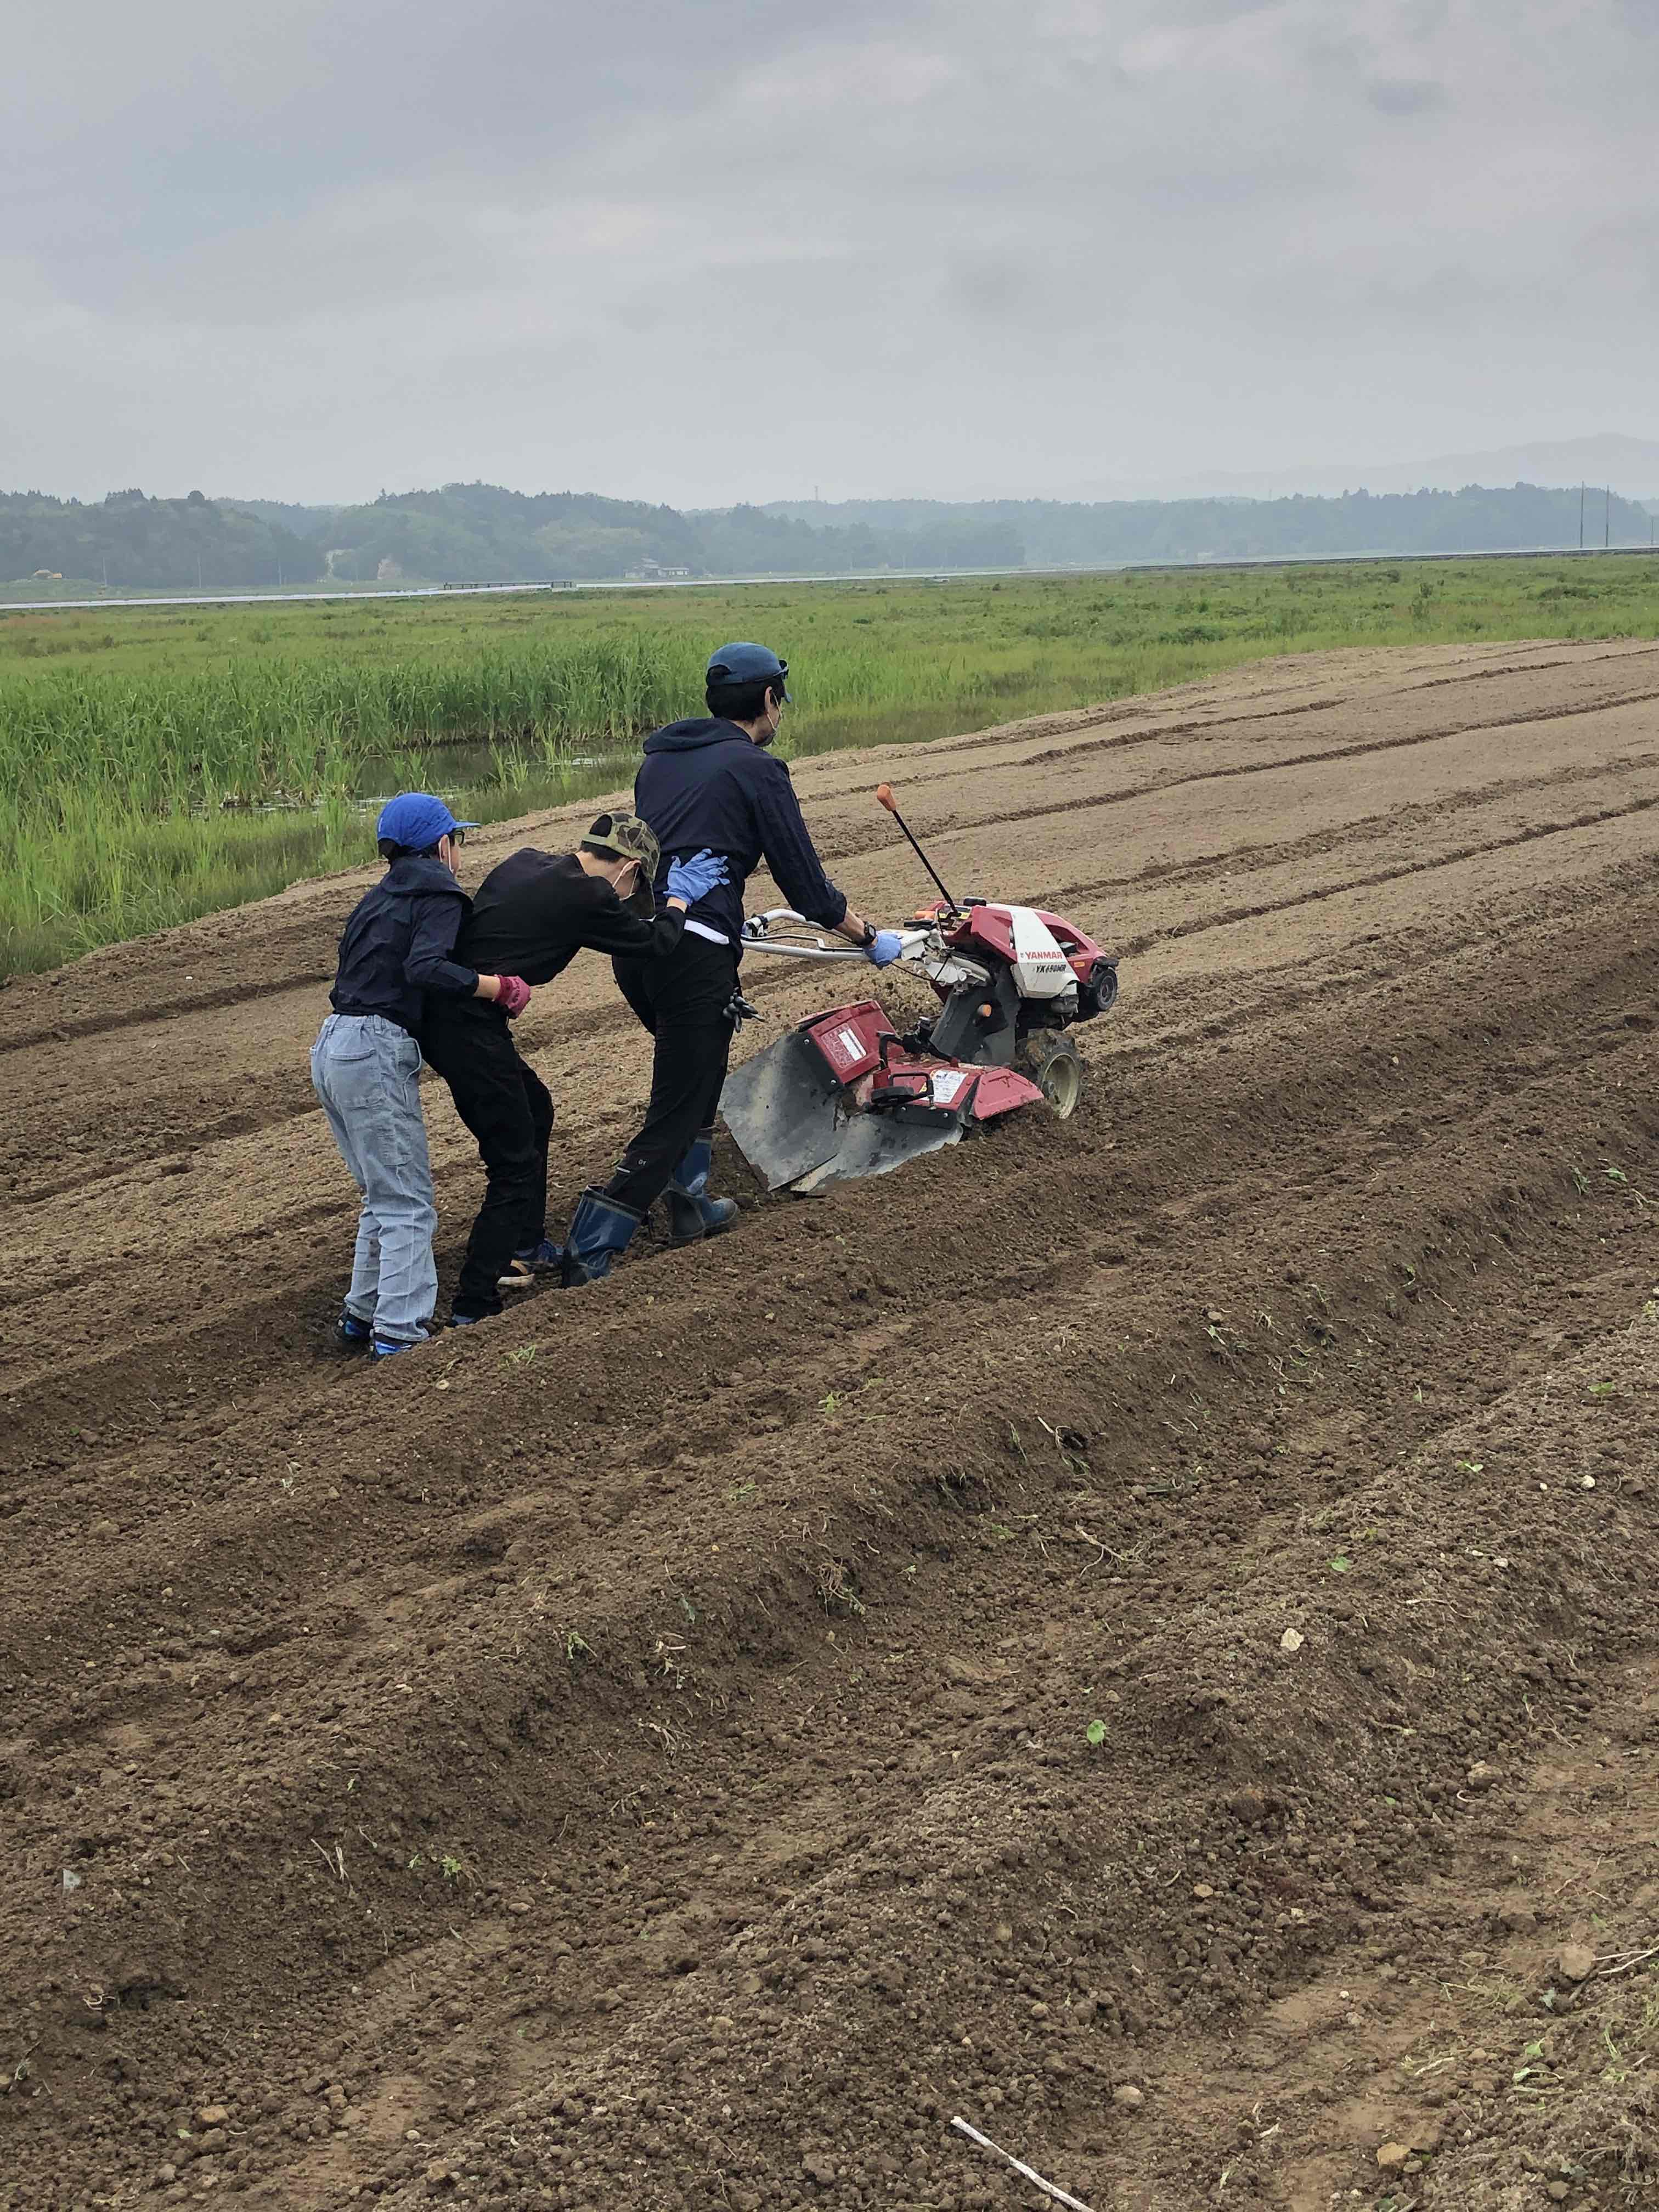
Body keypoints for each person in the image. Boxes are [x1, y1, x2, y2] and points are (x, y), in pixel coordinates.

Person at [555, 641, 902, 1285]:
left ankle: (690, 1205)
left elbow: (677, 849)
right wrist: (868, 936)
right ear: (770, 699)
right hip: (695, 959)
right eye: (781, 701)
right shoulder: (758, 770)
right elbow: (806, 888)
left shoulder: (658, 763)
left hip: (642, 949)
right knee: (677, 1106)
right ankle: (591, 1250)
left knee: (697, 1074)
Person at [420, 815, 728, 1327]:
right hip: (465, 1024)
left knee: (536, 1108)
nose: (631, 898)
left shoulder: (526, 861)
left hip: (457, 1014)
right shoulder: (589, 896)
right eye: (636, 888)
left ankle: (527, 1241)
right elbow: (656, 944)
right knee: (513, 1158)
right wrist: (680, 899)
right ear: (629, 869)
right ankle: (475, 1302)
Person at [311, 792, 528, 1358]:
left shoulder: (376, 898)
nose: (461, 849)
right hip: (375, 1047)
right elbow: (426, 967)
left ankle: (361, 1318)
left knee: (380, 1195)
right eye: (459, 839)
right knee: (408, 1202)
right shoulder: (441, 893)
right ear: (441, 845)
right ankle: (399, 1336)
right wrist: (496, 986)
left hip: (332, 1043)